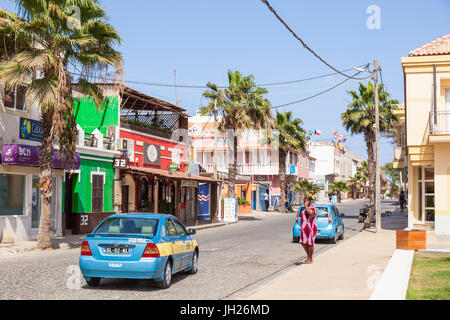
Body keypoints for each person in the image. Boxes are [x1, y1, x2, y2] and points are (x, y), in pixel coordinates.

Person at [299, 196, 317, 264]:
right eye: (304, 201)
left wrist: (306, 206)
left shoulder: (313, 208)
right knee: (303, 242)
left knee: (310, 243)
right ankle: (309, 257)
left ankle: (310, 258)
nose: (305, 202)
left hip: (311, 228)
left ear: (309, 201)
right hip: (304, 228)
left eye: (306, 201)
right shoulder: (303, 209)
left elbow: (310, 213)